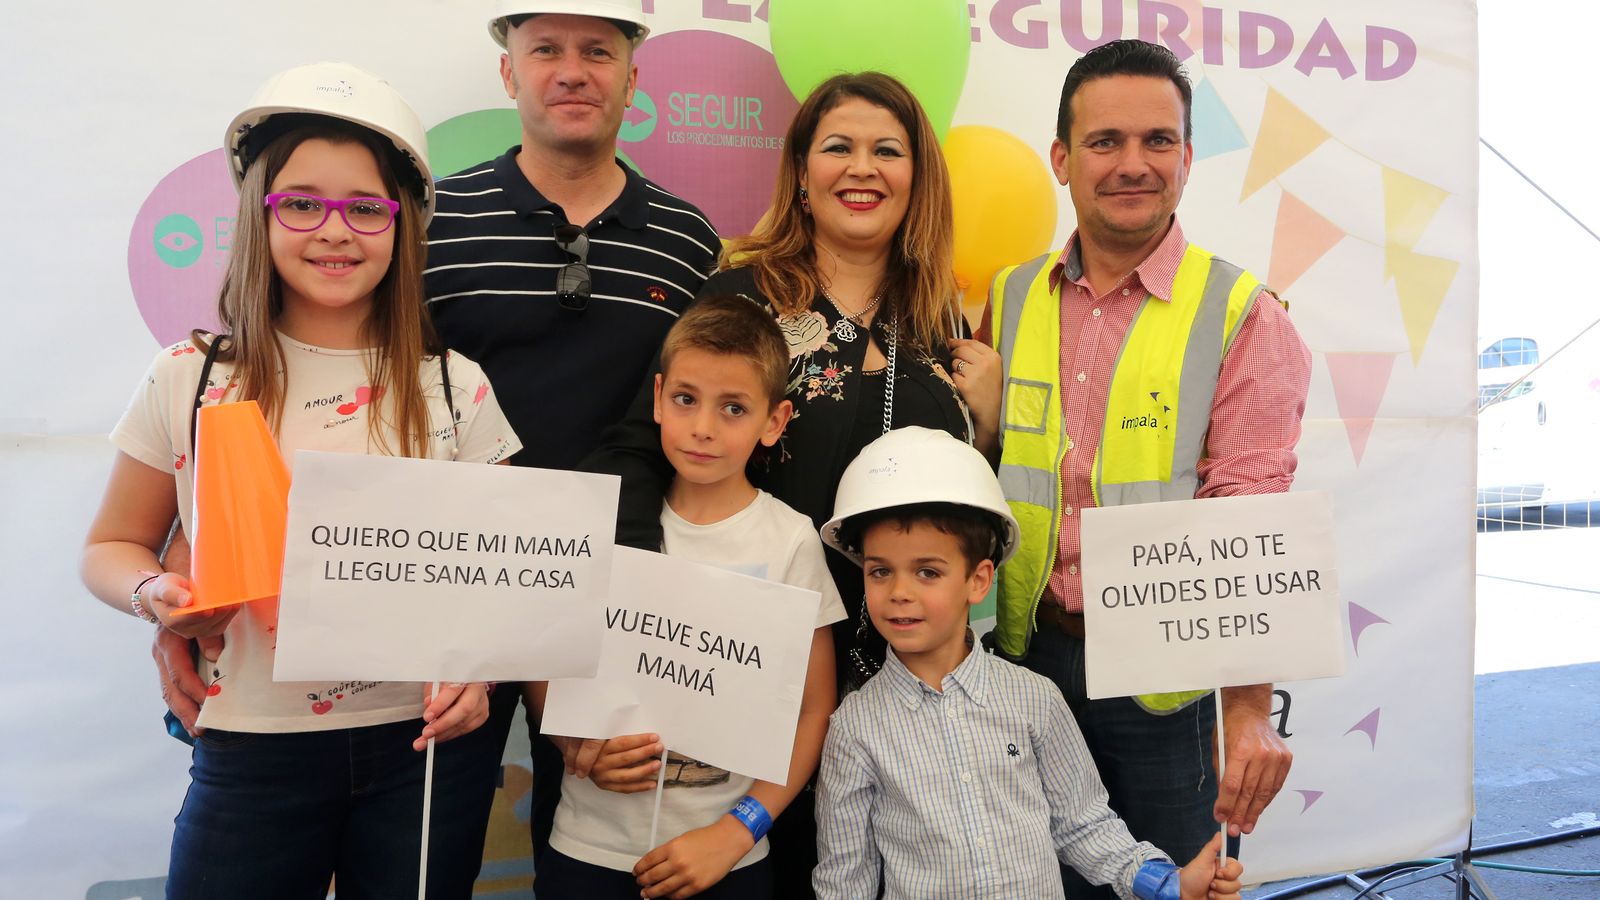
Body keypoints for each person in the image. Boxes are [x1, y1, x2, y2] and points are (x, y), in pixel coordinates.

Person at [151, 0, 722, 860]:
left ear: (633, 79)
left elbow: (699, 406)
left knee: (603, 851)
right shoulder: (426, 221)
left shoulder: (689, 238)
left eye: (598, 51)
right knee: (424, 813)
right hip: (443, 611)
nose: (572, 70)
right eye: (546, 50)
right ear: (508, 72)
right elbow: (283, 386)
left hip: (628, 595)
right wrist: (174, 585)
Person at [82, 63, 522, 898]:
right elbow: (111, 543)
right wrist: (155, 595)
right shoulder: (189, 375)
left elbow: (500, 580)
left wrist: (483, 669)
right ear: (260, 213)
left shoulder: (455, 387)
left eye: (365, 207)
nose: (334, 230)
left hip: (422, 750)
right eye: (302, 203)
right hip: (249, 742)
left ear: (402, 227)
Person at [579, 71, 991, 892]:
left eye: (888, 150)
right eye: (838, 147)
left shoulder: (942, 318)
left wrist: (991, 418)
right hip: (757, 680)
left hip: (908, 677)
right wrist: (626, 622)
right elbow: (641, 445)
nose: (862, 167)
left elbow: (959, 499)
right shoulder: (742, 298)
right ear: (801, 174)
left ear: (919, 177)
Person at [976, 39, 1311, 898]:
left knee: (1172, 884)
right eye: (1105, 141)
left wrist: (1244, 712)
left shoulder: (1244, 315)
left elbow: (1249, 527)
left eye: (1158, 141)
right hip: (1024, 664)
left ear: (1189, 158)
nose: (1134, 164)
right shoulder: (1008, 298)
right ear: (1061, 158)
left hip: (1164, 694)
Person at [812, 426, 1245, 900]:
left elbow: (1082, 825)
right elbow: (844, 878)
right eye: (880, 571)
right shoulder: (855, 727)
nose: (899, 591)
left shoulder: (1034, 699)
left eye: (927, 571)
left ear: (978, 581)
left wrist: (1167, 884)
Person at [533, 294, 844, 899]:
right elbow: (547, 660)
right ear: (657, 399)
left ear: (774, 421)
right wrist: (572, 737)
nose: (703, 427)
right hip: (588, 848)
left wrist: (736, 831)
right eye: (685, 400)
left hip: (726, 859)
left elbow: (813, 709)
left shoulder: (788, 540)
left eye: (733, 408)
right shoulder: (604, 520)